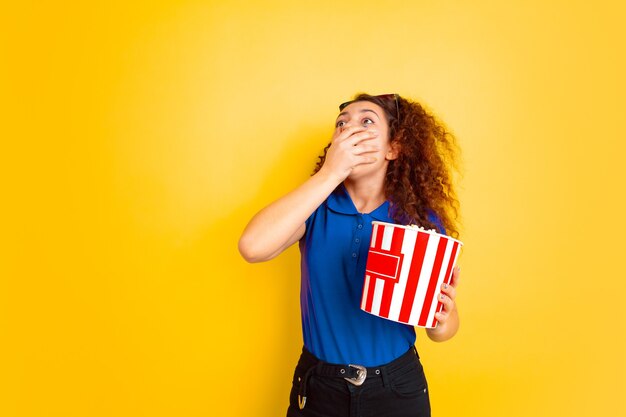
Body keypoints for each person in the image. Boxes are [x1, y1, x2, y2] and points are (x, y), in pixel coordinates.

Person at [238, 93, 462, 417]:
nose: (348, 130)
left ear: (393, 148)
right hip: (319, 387)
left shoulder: (418, 222)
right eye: (341, 124)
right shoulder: (315, 208)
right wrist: (330, 175)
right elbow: (252, 247)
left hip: (396, 387)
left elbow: (442, 331)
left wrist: (443, 318)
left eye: (366, 121)